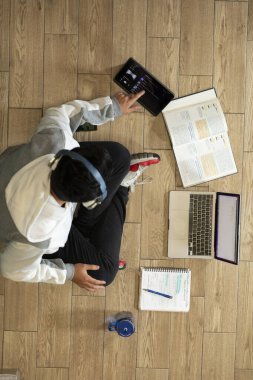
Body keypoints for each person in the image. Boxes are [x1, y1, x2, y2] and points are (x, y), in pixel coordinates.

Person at [0, 90, 160, 291]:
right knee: (104, 273)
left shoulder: (55, 140)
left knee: (120, 156)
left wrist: (113, 107)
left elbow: (62, 113)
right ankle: (122, 189)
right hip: (36, 228)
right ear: (87, 202)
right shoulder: (37, 235)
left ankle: (94, 238)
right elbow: (13, 270)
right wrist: (68, 272)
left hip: (17, 181)